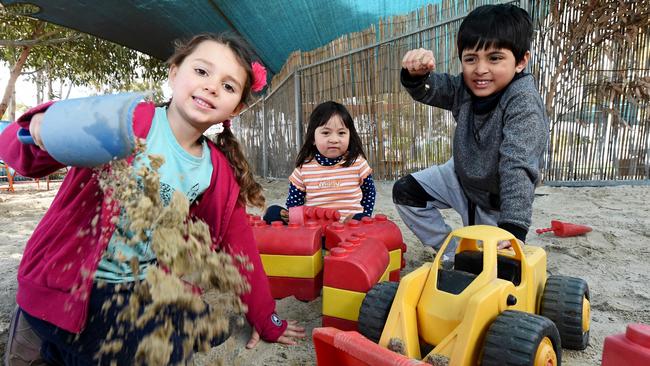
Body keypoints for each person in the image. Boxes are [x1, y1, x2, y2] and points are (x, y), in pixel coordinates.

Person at [0, 33, 304, 365]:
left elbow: (240, 248)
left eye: (229, 86)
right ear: (174, 73)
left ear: (238, 107)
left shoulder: (214, 171)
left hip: (130, 294)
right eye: (202, 72)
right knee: (28, 354)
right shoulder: (130, 121)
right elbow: (23, 152)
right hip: (60, 285)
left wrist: (265, 317)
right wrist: (41, 129)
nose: (212, 87)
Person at [393, 4, 549, 250]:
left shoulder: (523, 103)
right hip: (461, 175)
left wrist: (513, 229)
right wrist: (416, 76)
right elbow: (430, 90)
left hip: (494, 196)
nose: (480, 69)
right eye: (471, 58)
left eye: (495, 58)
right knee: (406, 192)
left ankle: (472, 253)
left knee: (491, 263)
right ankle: (451, 251)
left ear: (521, 61)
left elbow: (517, 166)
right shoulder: (464, 88)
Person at [263, 101, 375, 224]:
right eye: (326, 133)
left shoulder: (357, 163)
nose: (334, 139)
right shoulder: (304, 168)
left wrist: (365, 216)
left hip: (349, 227)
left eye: (341, 133)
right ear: (313, 139)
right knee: (272, 213)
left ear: (350, 136)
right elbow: (294, 202)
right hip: (313, 228)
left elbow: (369, 192)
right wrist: (291, 217)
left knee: (360, 219)